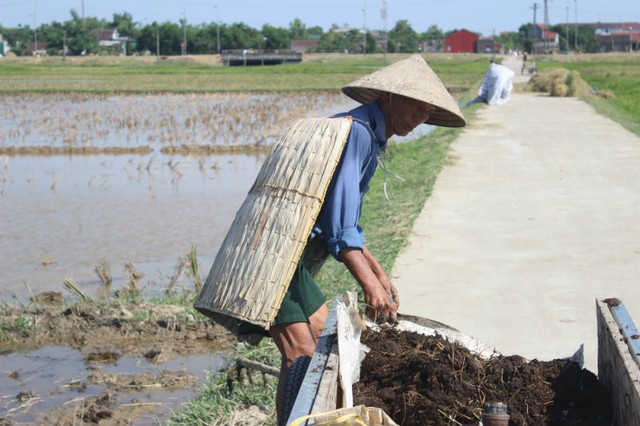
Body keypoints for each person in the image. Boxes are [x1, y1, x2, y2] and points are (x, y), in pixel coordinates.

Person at [256, 55, 466, 424]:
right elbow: (339, 229)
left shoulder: (368, 134)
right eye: (416, 106)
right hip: (272, 255)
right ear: (387, 97)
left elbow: (348, 222)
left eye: (427, 111)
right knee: (300, 352)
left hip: (289, 257)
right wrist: (369, 285)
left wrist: (380, 275)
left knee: (323, 334)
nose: (420, 117)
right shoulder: (357, 134)